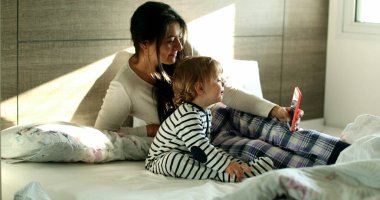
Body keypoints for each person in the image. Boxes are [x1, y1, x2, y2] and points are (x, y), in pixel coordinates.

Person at [95, 1, 349, 169]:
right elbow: (102, 134)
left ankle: (347, 154)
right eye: (170, 40)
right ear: (144, 42)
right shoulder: (124, 86)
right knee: (256, 149)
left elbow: (226, 92)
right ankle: (327, 171)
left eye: (179, 39)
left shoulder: (183, 55)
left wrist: (276, 110)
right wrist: (147, 131)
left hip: (221, 115)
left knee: (277, 129)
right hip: (199, 137)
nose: (180, 47)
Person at [145, 56, 274, 182]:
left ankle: (241, 167)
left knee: (214, 150)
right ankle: (227, 175)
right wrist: (225, 165)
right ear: (200, 88)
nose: (222, 82)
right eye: (218, 80)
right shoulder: (187, 115)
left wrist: (230, 161)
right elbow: (199, 148)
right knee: (174, 161)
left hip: (190, 152)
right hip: (159, 160)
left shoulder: (203, 111)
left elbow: (205, 147)